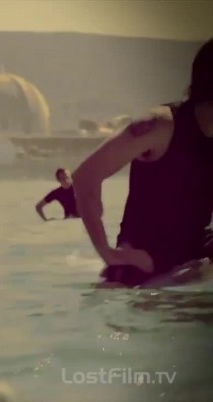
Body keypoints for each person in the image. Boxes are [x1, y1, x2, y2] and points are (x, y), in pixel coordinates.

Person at [72, 37, 213, 288]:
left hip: (194, 259)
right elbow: (86, 176)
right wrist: (107, 252)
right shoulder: (160, 126)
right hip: (143, 266)